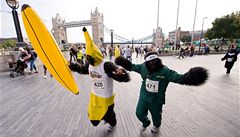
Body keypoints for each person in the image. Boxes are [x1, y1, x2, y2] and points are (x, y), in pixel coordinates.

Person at [115, 51, 208, 133]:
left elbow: (180, 78)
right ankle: (146, 122)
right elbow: (132, 66)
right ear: (146, 62)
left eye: (154, 60)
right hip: (143, 97)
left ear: (158, 60)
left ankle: (156, 125)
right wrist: (122, 62)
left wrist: (192, 76)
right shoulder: (143, 67)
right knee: (139, 113)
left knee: (156, 117)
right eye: (150, 61)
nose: (152, 63)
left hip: (157, 100)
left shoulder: (165, 71)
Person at [69, 27, 130, 132]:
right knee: (93, 117)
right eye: (87, 58)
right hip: (95, 95)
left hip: (106, 97)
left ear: (95, 56)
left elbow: (119, 76)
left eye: (89, 58)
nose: (88, 60)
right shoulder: (90, 64)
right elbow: (82, 69)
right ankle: (105, 118)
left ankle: (112, 123)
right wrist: (72, 66)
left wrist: (121, 74)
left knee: (108, 115)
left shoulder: (106, 65)